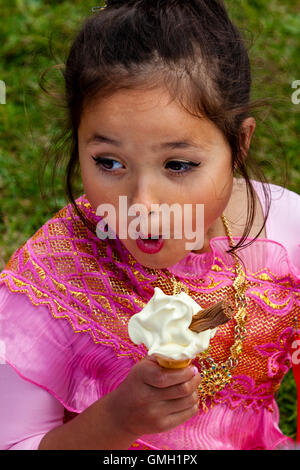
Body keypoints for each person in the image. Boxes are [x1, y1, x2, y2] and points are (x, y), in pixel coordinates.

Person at [0, 0, 299, 451]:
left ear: (239, 145)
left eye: (178, 164)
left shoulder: (287, 233)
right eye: (109, 162)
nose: (141, 205)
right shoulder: (54, 279)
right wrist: (115, 423)